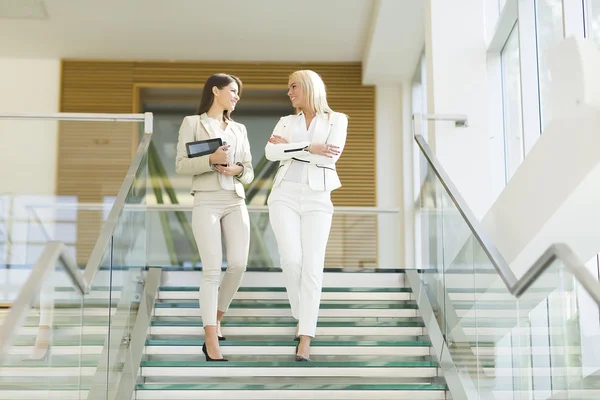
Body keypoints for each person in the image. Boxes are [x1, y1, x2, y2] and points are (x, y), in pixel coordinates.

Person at [265, 70, 348, 362]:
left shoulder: (337, 120)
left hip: (318, 197)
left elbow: (330, 157)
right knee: (291, 260)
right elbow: (269, 153)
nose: (289, 93)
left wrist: (289, 149)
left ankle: (305, 337)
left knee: (312, 266)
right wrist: (307, 147)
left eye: (293, 86)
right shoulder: (287, 121)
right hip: (284, 194)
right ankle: (302, 316)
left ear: (309, 87)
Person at [175, 73, 253, 362]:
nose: (236, 97)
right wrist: (211, 160)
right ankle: (210, 338)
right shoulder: (192, 123)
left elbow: (250, 170)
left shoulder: (240, 129)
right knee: (211, 270)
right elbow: (181, 165)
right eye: (232, 91)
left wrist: (238, 171)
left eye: (238, 93)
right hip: (206, 200)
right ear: (215, 91)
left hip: (234, 199)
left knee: (238, 264)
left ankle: (217, 318)